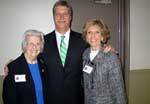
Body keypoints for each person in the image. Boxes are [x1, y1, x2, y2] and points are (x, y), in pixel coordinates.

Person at [82, 19, 127, 104]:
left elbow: (118, 90)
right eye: (89, 32)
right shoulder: (85, 54)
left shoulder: (111, 57)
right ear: (86, 36)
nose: (93, 36)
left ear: (102, 36)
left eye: (97, 32)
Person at [2, 29, 48, 104]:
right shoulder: (13, 68)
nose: (34, 47)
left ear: (41, 46)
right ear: (25, 45)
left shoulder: (43, 65)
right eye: (31, 43)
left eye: (38, 43)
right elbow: (9, 99)